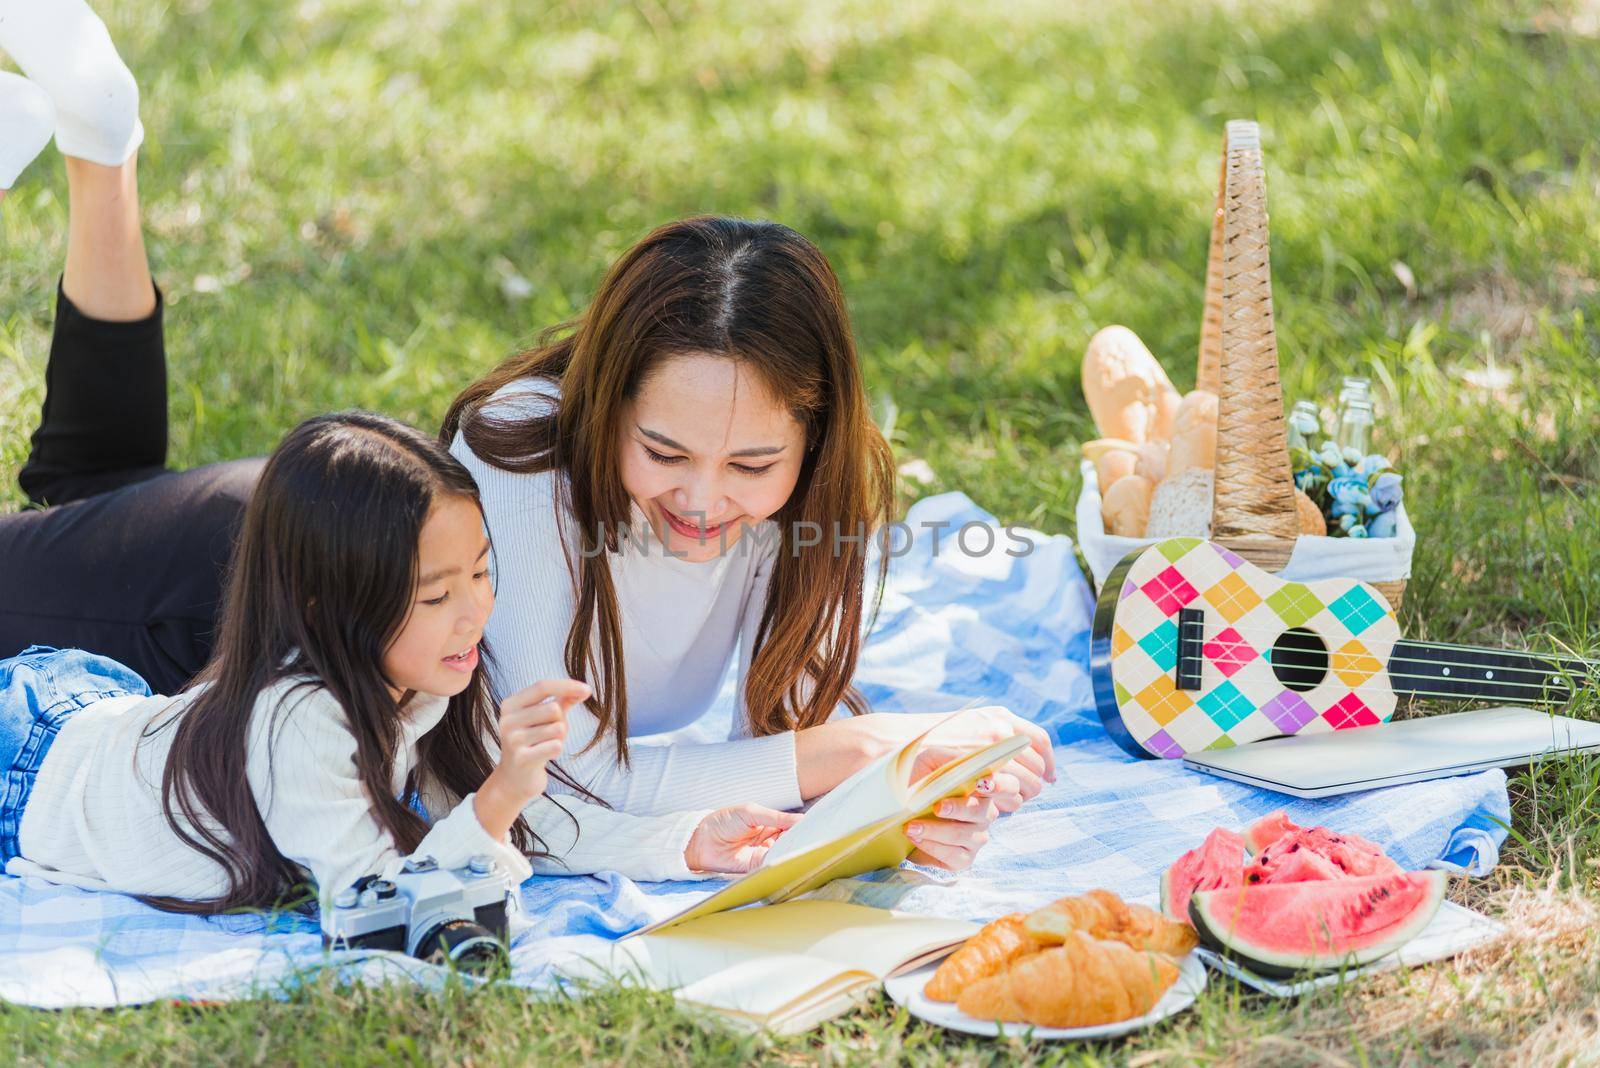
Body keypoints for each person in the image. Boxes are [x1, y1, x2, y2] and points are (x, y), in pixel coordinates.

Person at [0, 2, 1049, 872]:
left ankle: (102, 137)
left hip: (344, 614)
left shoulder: (814, 504)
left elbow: (767, 763)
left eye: (754, 465)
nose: (704, 499)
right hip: (205, 593)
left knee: (88, 482)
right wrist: (880, 746)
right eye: (666, 452)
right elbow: (584, 780)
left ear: (811, 446)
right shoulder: (525, 454)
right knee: (67, 517)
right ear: (603, 407)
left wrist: (910, 796)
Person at [0, 410, 804, 916]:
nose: (475, 613)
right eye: (432, 595)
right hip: (26, 764)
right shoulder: (300, 724)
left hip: (102, 712)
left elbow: (536, 828)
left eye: (483, 572)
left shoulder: (431, 671)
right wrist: (494, 801)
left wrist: (687, 842)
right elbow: (379, 919)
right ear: (328, 608)